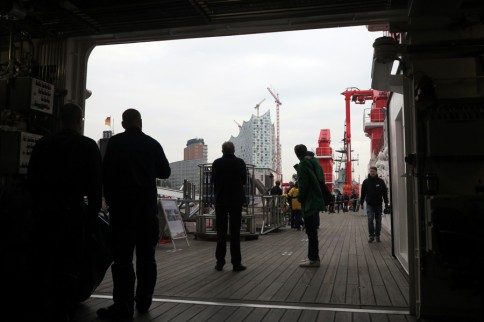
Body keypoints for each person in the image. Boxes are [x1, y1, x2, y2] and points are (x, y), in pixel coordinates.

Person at [28, 103, 102, 321]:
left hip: (45, 212)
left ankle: (40, 306)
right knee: (69, 262)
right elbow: (96, 189)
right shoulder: (87, 146)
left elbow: (32, 180)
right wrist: (90, 221)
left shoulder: (43, 144)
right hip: (73, 213)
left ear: (60, 119)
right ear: (80, 121)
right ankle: (64, 308)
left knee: (44, 260)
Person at [97, 108, 171, 319]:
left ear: (122, 124)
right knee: (147, 259)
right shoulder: (152, 143)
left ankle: (123, 305)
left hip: (122, 212)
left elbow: (106, 174)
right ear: (140, 122)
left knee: (122, 261)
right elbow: (165, 172)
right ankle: (144, 300)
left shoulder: (115, 144)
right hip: (147, 212)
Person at [212, 141, 247, 272]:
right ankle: (236, 263)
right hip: (236, 200)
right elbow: (244, 180)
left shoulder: (216, 163)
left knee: (220, 233)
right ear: (234, 150)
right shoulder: (240, 162)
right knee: (235, 232)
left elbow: (213, 180)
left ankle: (219, 263)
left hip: (221, 200)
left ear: (222, 151)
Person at [294, 144, 325, 267]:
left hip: (309, 202)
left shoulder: (303, 165)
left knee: (310, 231)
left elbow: (303, 185)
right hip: (316, 200)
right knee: (313, 231)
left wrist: (300, 198)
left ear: (297, 154)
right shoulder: (315, 163)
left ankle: (313, 259)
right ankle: (313, 257)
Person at [360, 166, 389, 243]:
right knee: (370, 219)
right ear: (370, 172)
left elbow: (384, 193)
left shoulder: (381, 182)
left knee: (378, 221)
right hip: (369, 204)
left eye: (374, 171)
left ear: (376, 172)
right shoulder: (365, 182)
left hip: (378, 204)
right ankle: (371, 236)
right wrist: (361, 203)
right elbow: (363, 193)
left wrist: (386, 203)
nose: (372, 172)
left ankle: (377, 235)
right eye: (371, 171)